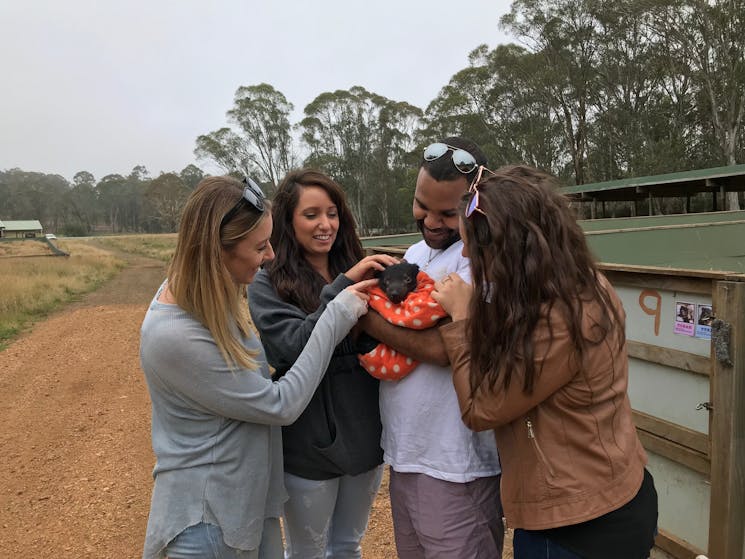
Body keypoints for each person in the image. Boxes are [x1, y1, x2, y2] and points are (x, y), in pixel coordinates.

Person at [139, 175, 375, 559]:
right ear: (216, 251)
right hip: (209, 523)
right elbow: (279, 404)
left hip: (245, 508)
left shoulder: (210, 296)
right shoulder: (173, 334)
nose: (270, 256)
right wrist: (336, 313)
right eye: (260, 246)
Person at [432, 165, 659, 559]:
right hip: (611, 496)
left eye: (474, 245)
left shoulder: (561, 321)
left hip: (576, 525)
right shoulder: (579, 285)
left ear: (510, 246)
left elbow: (481, 407)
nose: (465, 253)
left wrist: (462, 320)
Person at [358, 138, 504, 558]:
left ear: (475, 205)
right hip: (407, 453)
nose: (433, 221)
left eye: (448, 212)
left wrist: (367, 320)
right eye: (423, 206)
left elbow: (445, 348)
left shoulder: (482, 258)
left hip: (457, 465)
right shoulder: (416, 253)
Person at [247, 169, 397, 559]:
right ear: (288, 221)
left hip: (366, 437)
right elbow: (290, 349)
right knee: (307, 551)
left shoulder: (360, 266)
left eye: (332, 213)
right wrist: (343, 287)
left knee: (348, 546)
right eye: (311, 215)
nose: (325, 224)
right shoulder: (268, 284)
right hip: (309, 445)